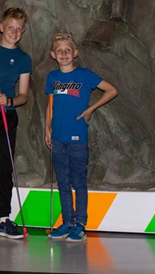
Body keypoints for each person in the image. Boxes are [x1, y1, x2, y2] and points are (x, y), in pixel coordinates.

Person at [44, 32, 118, 242]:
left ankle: (80, 225)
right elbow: (50, 104)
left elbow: (111, 90)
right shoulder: (52, 77)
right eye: (59, 50)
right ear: (53, 54)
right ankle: (67, 222)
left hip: (77, 138)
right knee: (63, 182)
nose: (64, 54)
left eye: (68, 50)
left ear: (75, 52)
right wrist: (47, 128)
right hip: (57, 138)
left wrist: (91, 110)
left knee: (78, 182)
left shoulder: (85, 75)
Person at [0, 7, 32, 239]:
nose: (14, 32)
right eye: (10, 27)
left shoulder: (23, 59)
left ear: (22, 32)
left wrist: (9, 100)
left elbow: (23, 95)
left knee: (4, 167)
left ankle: (5, 218)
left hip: (5, 116)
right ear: (1, 27)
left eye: (18, 29)